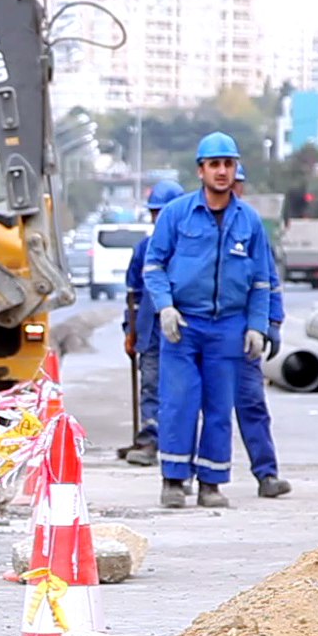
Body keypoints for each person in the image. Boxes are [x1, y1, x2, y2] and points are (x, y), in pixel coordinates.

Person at [143, 132, 272, 509]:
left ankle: (211, 483)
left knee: (219, 407)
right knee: (179, 402)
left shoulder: (249, 221)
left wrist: (257, 326)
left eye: (228, 164)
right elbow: (154, 266)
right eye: (214, 164)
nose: (221, 171)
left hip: (228, 327)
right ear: (200, 170)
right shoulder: (177, 214)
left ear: (235, 170)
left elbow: (262, 280)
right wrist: (165, 306)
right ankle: (173, 479)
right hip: (184, 326)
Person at [230, 172, 293, 499]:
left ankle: (267, 474)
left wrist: (273, 322)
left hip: (245, 331)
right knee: (197, 406)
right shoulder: (195, 222)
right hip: (206, 329)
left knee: (252, 404)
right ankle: (188, 478)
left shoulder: (249, 226)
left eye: (239, 182)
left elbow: (268, 279)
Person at [123, 179, 184, 467]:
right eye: (155, 213)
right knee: (150, 385)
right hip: (149, 331)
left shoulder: (190, 248)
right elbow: (133, 295)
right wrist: (130, 332)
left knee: (179, 388)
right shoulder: (144, 249)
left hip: (184, 332)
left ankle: (175, 441)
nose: (158, 219)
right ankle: (149, 439)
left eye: (164, 212)